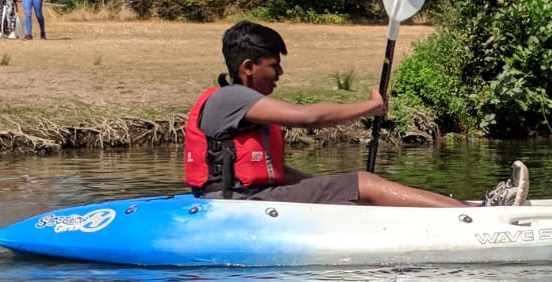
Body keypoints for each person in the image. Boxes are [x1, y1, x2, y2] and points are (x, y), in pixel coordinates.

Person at [186, 21, 528, 207]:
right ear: (247, 67)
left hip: (246, 199)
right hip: (241, 206)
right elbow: (308, 117)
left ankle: (462, 209)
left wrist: (325, 187)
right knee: (364, 182)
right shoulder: (231, 98)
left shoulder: (233, 101)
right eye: (273, 66)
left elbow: (274, 171)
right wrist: (370, 107)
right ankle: (479, 216)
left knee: (358, 189)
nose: (279, 74)